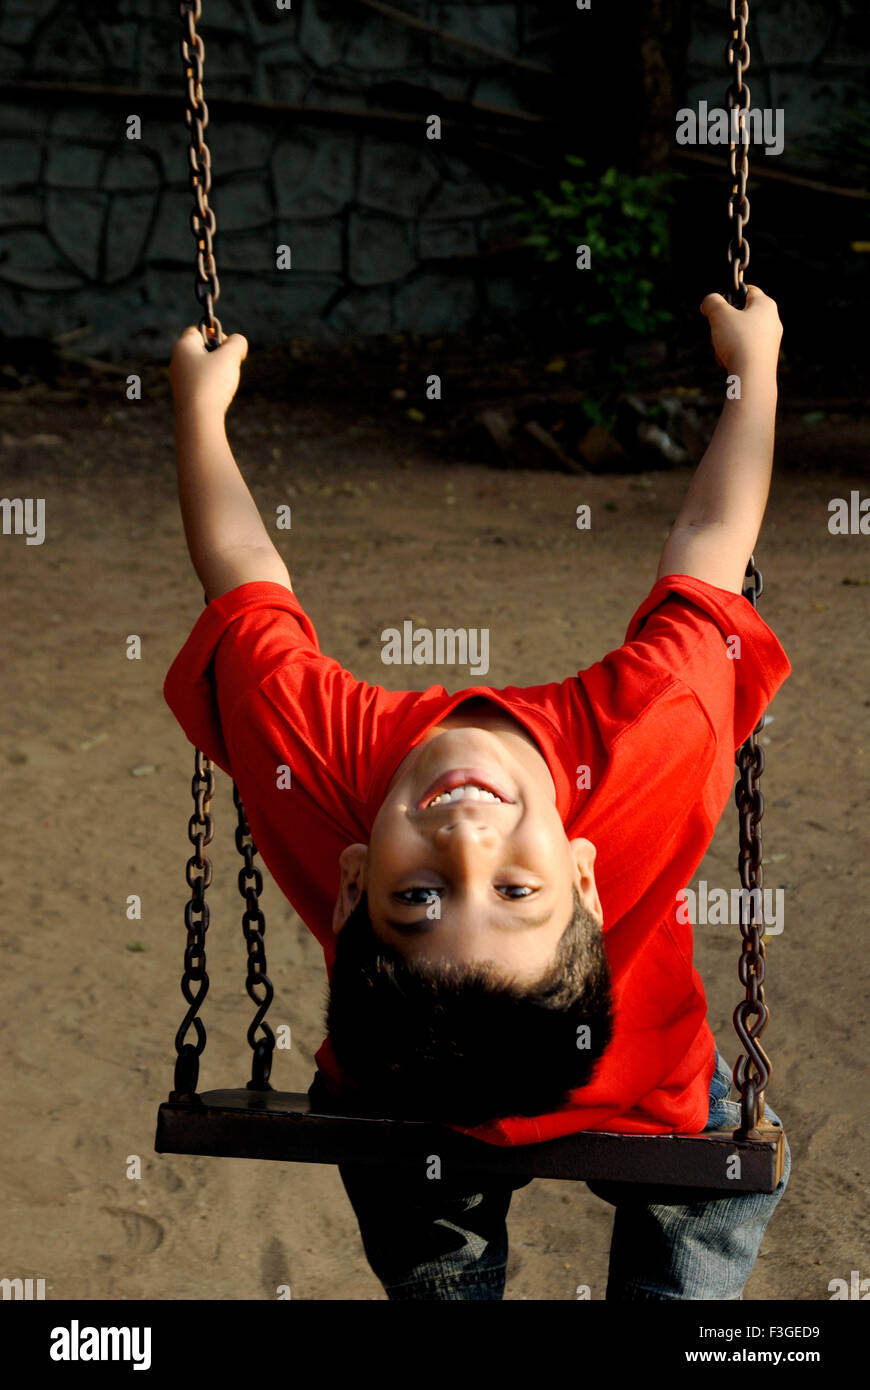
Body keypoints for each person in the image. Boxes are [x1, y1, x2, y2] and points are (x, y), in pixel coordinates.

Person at [164, 285, 791, 1299]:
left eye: (417, 899)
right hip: (647, 1088)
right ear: (585, 881)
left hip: (399, 1087)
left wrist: (195, 410)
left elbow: (239, 571)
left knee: (404, 1175)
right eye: (515, 893)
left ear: (350, 882)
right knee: (707, 1186)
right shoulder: (652, 735)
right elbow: (714, 539)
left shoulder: (312, 757)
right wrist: (753, 366)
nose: (465, 841)